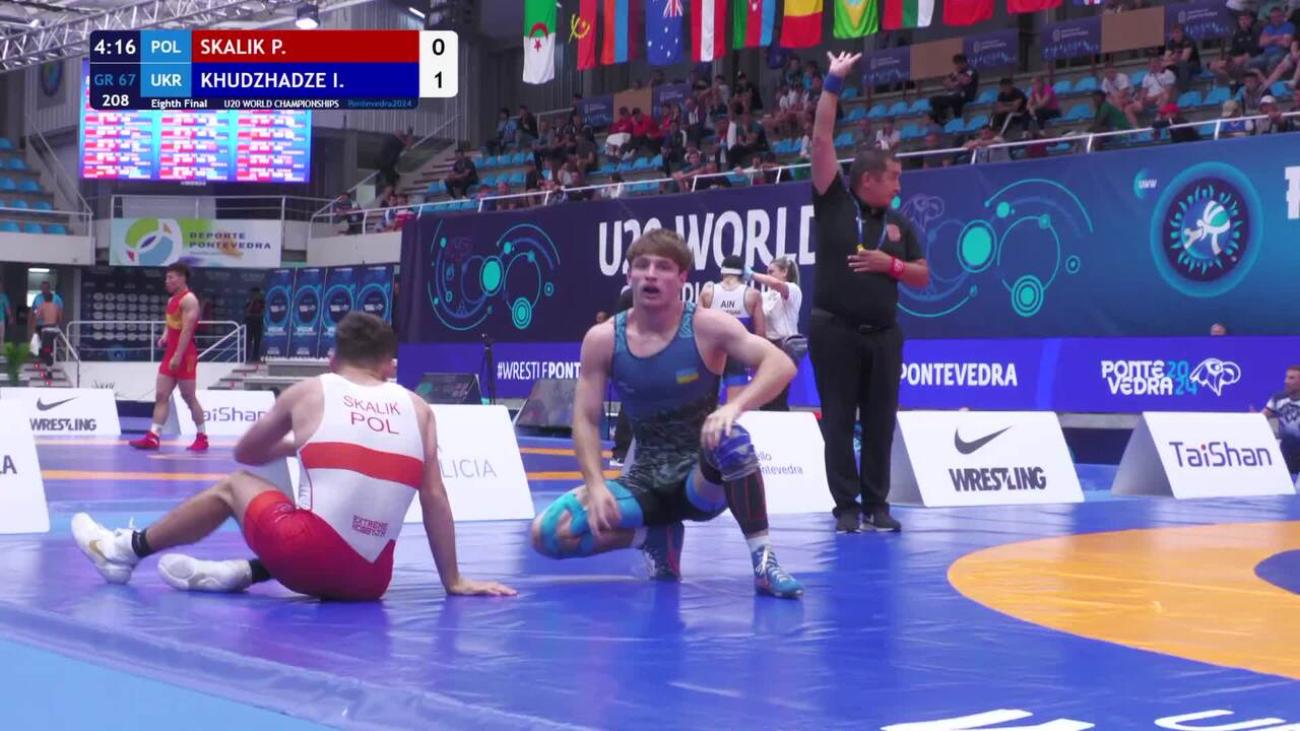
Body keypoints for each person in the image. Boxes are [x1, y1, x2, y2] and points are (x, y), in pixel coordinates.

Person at [71, 312, 516, 600]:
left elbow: (247, 453)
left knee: (235, 487)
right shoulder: (420, 409)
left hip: (304, 560)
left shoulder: (310, 391)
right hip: (371, 581)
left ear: (332, 359)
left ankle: (125, 550)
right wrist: (454, 581)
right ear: (390, 366)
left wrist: (294, 442)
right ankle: (244, 573)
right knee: (322, 507)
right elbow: (435, 498)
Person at [530, 229, 803, 599]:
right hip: (644, 481)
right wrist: (595, 485)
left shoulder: (707, 326)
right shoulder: (603, 339)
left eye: (663, 267)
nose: (650, 275)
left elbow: (781, 364)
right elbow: (586, 419)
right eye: (642, 266)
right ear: (629, 275)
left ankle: (764, 562)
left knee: (731, 437)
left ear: (682, 278)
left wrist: (733, 407)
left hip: (700, 482)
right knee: (548, 534)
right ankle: (653, 537)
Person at [810, 52, 931, 534]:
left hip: (884, 334)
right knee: (838, 420)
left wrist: (891, 265)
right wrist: (833, 82)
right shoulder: (833, 203)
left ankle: (877, 504)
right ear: (868, 179)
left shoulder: (900, 224)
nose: (899, 186)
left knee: (881, 420)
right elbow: (821, 140)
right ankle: (846, 506)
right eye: (893, 177)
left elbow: (922, 275)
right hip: (834, 330)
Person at [129, 263, 207, 451]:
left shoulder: (189, 300)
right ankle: (154, 436)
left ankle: (202, 436)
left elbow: (187, 330)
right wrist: (165, 336)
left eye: (171, 277)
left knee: (189, 397)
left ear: (182, 278)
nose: (167, 281)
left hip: (185, 355)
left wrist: (178, 356)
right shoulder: (172, 300)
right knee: (161, 395)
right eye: (167, 277)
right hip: (171, 352)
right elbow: (171, 322)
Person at [700, 254, 766, 402]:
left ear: (722, 272)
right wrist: (757, 361)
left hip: (713, 353)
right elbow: (760, 332)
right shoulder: (752, 294)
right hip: (737, 353)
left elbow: (698, 327)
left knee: (706, 406)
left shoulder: (707, 293)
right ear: (743, 273)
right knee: (735, 407)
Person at [751, 257, 804, 412]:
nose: (767, 276)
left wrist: (752, 275)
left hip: (786, 348)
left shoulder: (793, 290)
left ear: (784, 272)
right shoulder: (765, 296)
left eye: (771, 272)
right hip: (768, 348)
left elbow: (777, 284)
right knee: (765, 398)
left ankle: (782, 426)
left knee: (777, 397)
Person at [1263, 366, 1300, 475]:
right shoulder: (1278, 398)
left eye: (1291, 378)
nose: (1286, 381)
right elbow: (1262, 417)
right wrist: (1255, 419)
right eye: (1286, 377)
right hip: (1286, 454)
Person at [29, 280, 63, 367]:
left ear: (49, 288)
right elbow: (33, 311)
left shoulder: (56, 298)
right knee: (40, 342)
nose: (43, 289)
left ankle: (50, 359)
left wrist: (59, 324)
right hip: (41, 325)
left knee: (50, 344)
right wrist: (32, 324)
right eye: (42, 288)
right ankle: (44, 359)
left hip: (51, 325)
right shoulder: (37, 298)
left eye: (45, 288)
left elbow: (60, 312)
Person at [245, 286, 265, 363]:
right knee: (248, 341)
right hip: (250, 323)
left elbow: (262, 313)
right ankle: (247, 358)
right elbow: (247, 313)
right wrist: (252, 301)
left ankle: (256, 358)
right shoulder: (249, 301)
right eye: (254, 293)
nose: (256, 295)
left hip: (258, 323)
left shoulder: (261, 301)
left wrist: (255, 315)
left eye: (257, 293)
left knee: (257, 341)